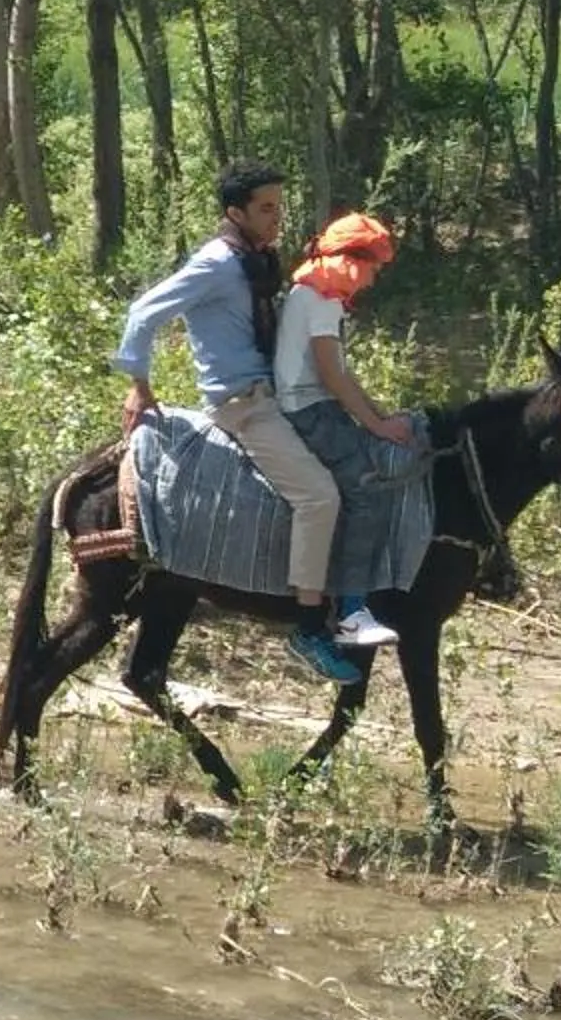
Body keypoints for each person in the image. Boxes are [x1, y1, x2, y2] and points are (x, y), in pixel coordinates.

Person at [114, 162, 358, 683]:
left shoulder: (255, 259)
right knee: (319, 497)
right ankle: (310, 627)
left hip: (276, 394)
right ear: (235, 212)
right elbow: (142, 313)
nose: (278, 218)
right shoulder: (217, 263)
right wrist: (138, 383)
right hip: (244, 405)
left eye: (279, 206)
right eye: (267, 208)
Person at [275, 212, 417, 652]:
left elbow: (342, 375)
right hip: (308, 409)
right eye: (372, 268)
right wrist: (376, 425)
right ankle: (352, 612)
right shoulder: (321, 299)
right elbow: (332, 377)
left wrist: (380, 416)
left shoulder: (317, 292)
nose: (372, 281)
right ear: (351, 260)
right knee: (367, 488)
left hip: (318, 403)